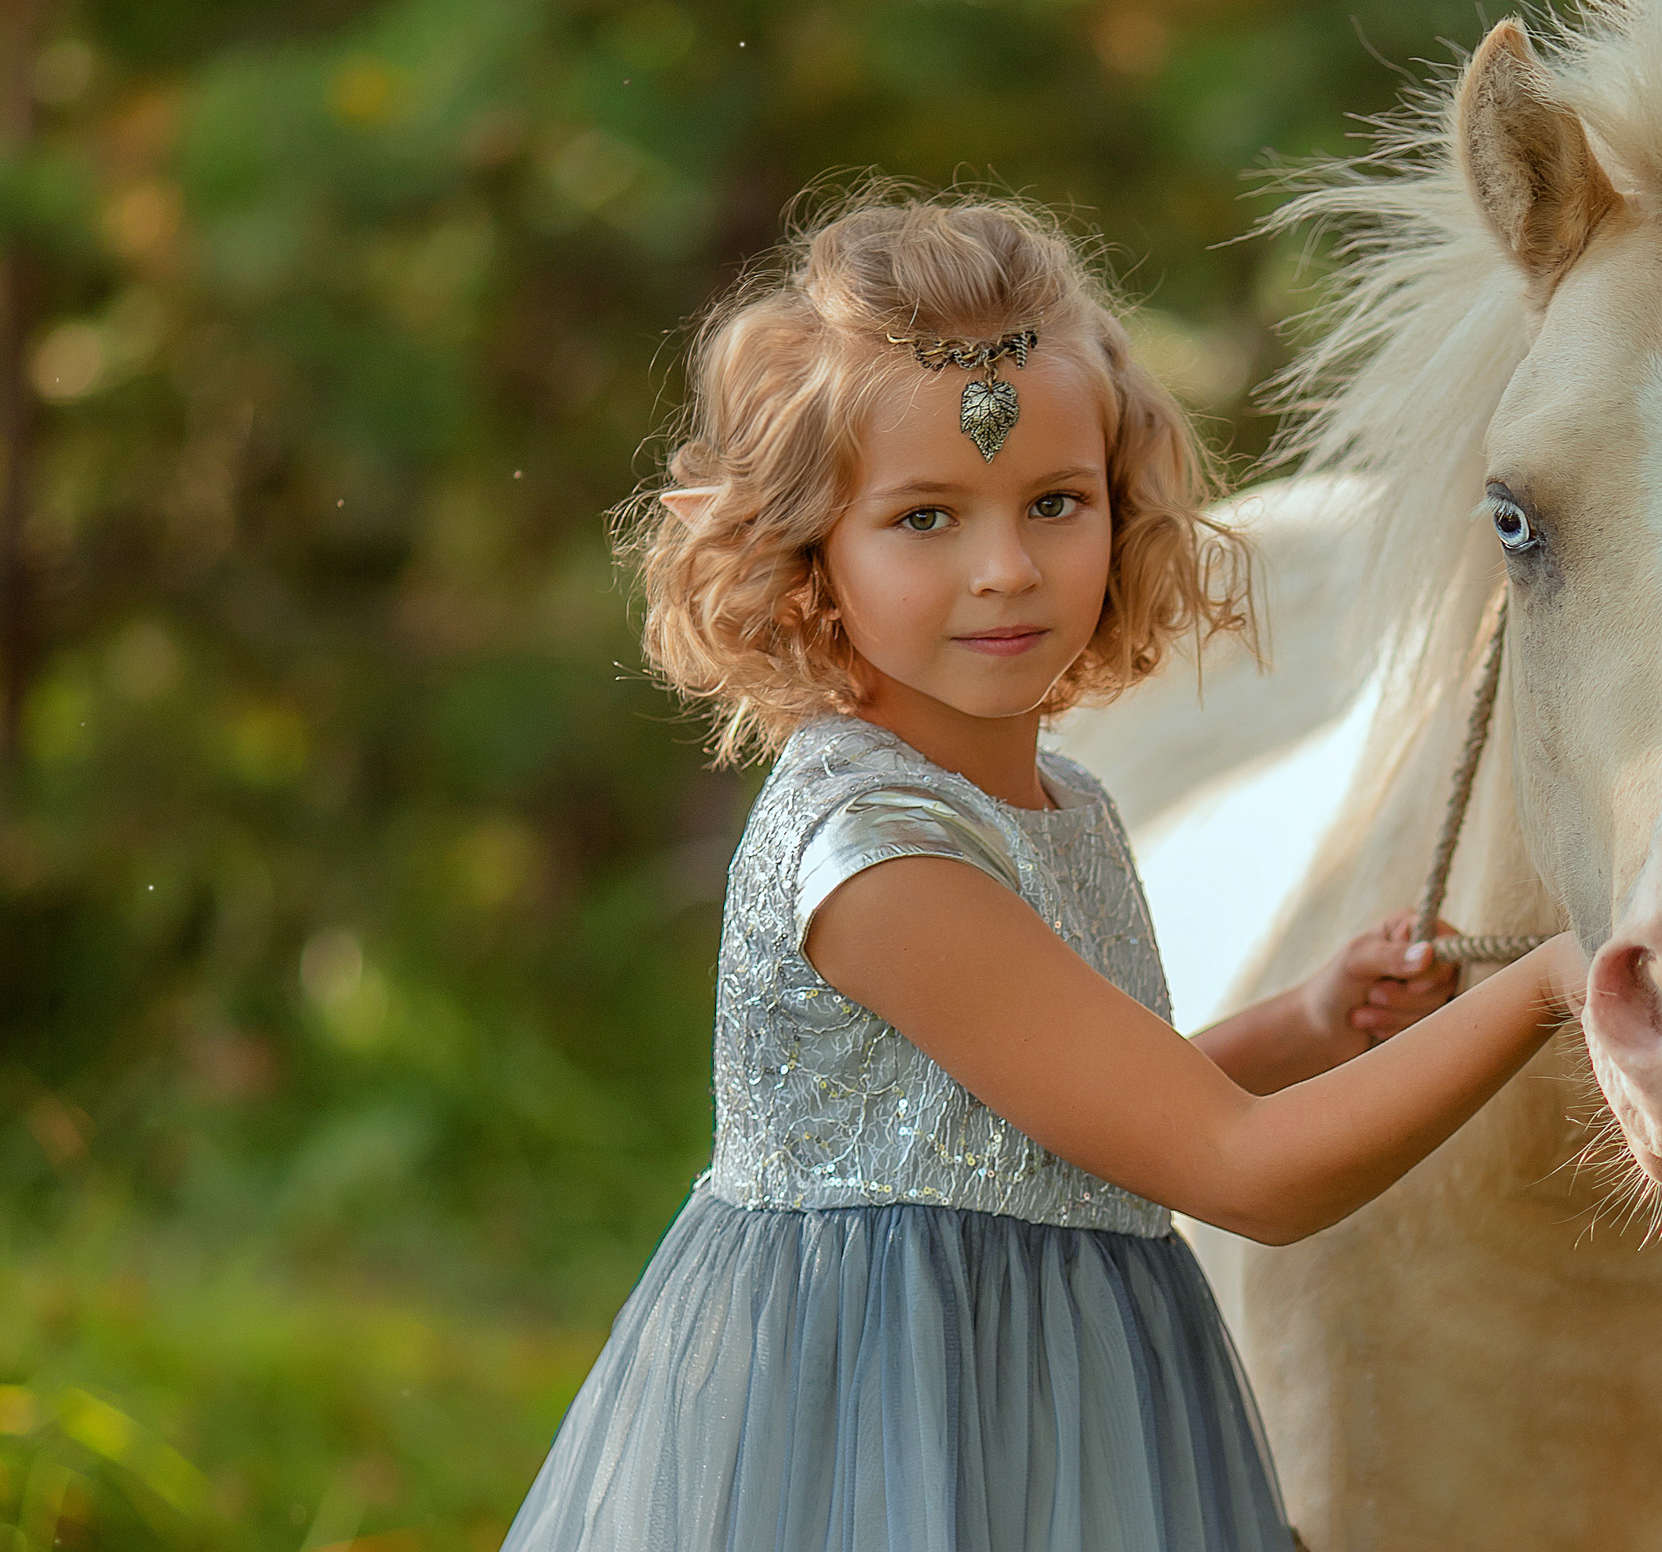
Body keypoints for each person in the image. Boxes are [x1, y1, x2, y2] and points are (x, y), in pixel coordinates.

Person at [498, 187, 1582, 1552]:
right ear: (809, 550)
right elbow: (1239, 1170)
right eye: (926, 518)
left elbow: (1053, 1130)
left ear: (1122, 511)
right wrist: (1552, 977)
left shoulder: (1064, 799)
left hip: (1061, 1391)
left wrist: (1311, 1027)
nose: (1006, 568)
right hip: (889, 1429)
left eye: (1055, 502)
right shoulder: (879, 855)